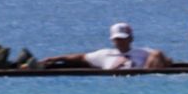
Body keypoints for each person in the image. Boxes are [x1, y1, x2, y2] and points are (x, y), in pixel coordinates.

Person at [39, 22, 170, 70]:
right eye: (117, 39)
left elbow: (169, 62)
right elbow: (80, 57)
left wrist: (157, 57)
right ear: (113, 40)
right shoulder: (104, 54)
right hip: (114, 80)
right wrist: (55, 58)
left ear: (131, 39)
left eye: (123, 39)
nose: (120, 42)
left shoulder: (144, 52)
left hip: (140, 80)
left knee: (158, 53)